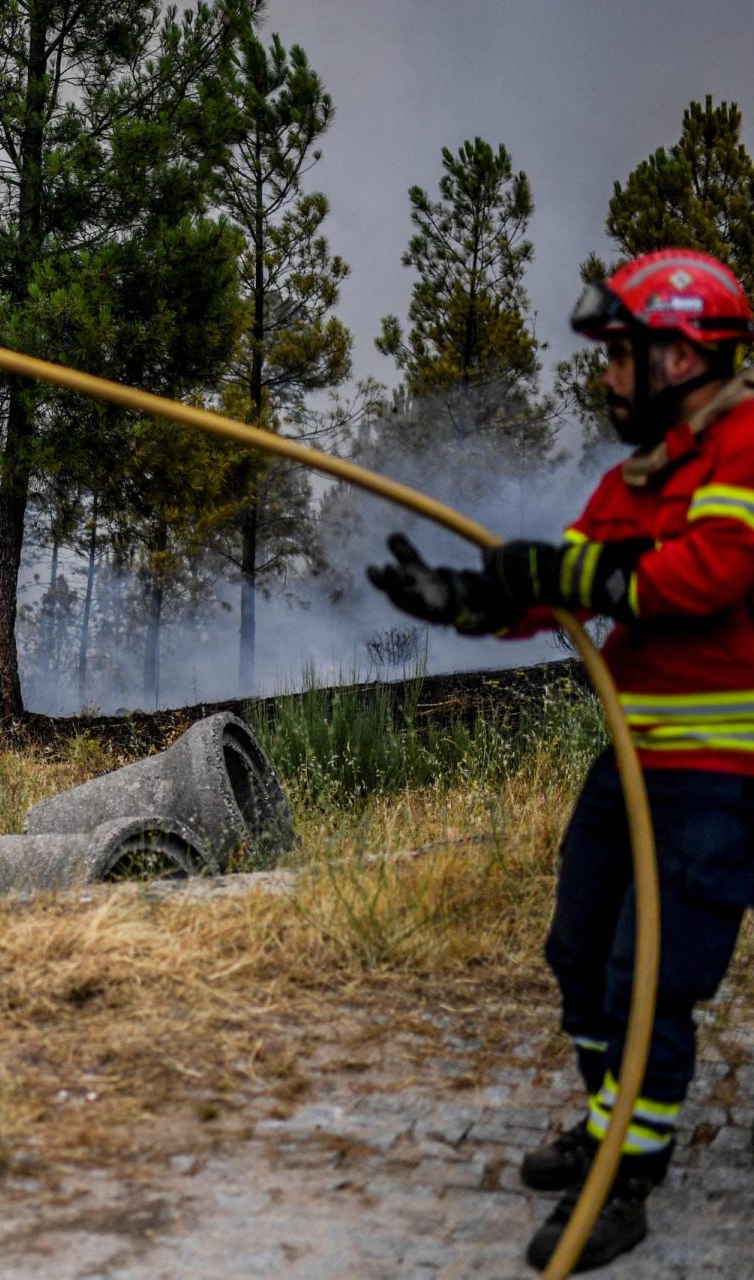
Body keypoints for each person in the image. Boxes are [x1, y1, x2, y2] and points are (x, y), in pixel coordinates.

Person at [368, 248, 754, 1271]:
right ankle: (606, 1118)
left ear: (680, 354)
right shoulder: (631, 480)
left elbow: (702, 576)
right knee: (579, 951)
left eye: (622, 354)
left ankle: (628, 1176)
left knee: (647, 979)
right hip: (634, 762)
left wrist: (564, 568)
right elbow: (568, 587)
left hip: (720, 776)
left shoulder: (745, 449)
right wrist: (467, 598)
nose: (607, 375)